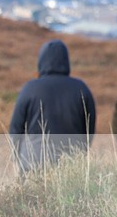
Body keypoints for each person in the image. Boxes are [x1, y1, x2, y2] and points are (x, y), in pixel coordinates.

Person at [9, 39, 96, 174]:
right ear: (66, 60)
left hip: (32, 165)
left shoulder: (30, 89)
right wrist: (82, 155)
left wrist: (17, 157)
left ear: (41, 60)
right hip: (71, 166)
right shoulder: (81, 89)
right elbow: (89, 130)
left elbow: (15, 129)